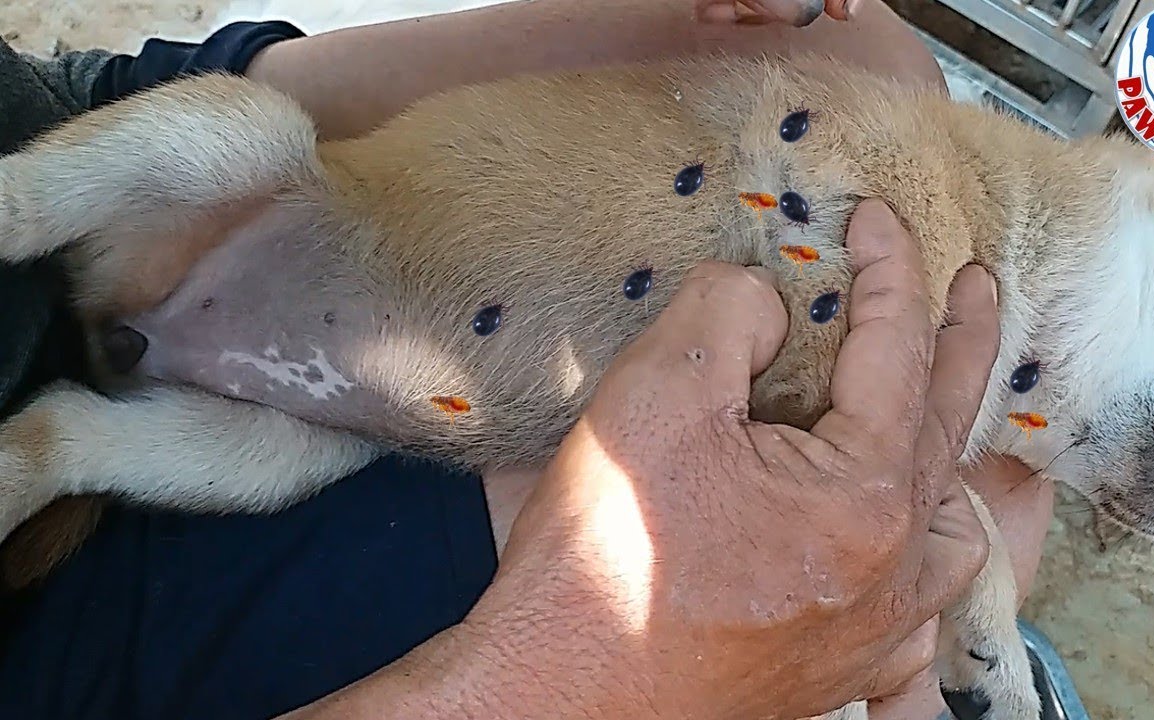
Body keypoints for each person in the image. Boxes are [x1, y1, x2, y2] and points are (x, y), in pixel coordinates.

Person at [0, 1, 1056, 719]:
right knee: (964, 518)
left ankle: (52, 392)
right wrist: (598, 671)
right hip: (78, 624)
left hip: (139, 199)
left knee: (869, 64)